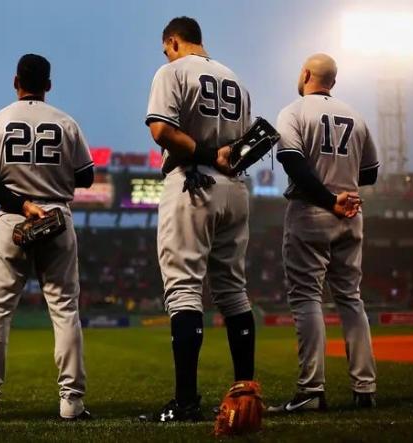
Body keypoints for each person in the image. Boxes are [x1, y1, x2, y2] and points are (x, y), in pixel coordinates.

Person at [0, 54, 94, 421]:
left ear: (15, 80)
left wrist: (20, 200)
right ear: (48, 85)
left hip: (13, 218)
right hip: (56, 216)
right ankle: (72, 403)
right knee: (65, 310)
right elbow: (85, 177)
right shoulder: (65, 122)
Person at [142, 17, 257, 421]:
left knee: (185, 290)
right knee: (233, 291)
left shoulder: (172, 71)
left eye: (165, 47)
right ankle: (247, 394)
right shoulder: (235, 79)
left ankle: (186, 402)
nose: (165, 54)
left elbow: (161, 130)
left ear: (173, 41)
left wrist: (207, 156)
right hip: (237, 188)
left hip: (193, 180)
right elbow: (246, 143)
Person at [269, 53, 379, 413]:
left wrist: (330, 198)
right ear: (334, 80)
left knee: (307, 298)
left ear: (305, 74)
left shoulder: (294, 111)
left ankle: (311, 390)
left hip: (312, 211)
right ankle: (365, 388)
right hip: (351, 213)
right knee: (351, 298)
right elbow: (371, 173)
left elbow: (293, 163)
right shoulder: (356, 115)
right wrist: (342, 191)